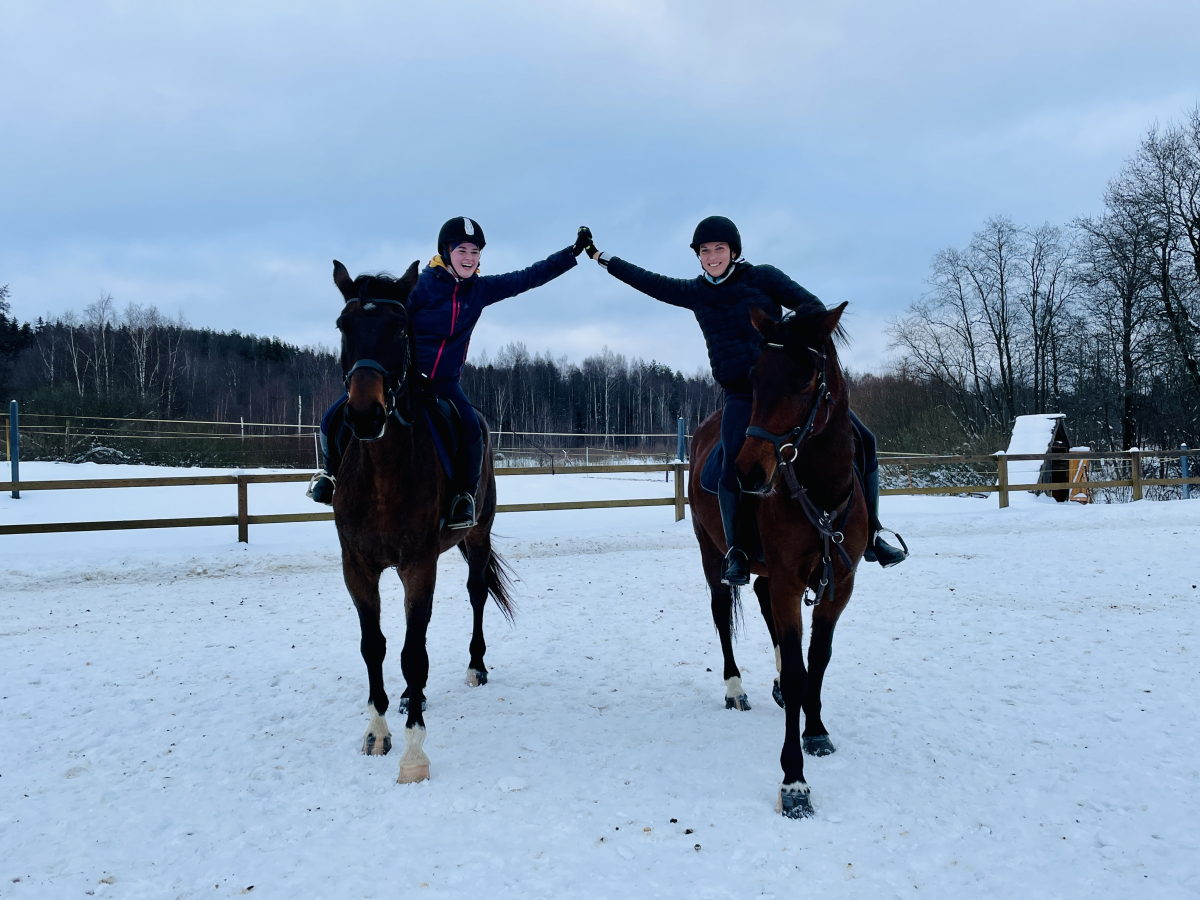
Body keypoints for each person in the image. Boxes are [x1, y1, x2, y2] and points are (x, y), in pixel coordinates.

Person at [583, 216, 907, 584]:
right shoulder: (696, 293)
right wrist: (600, 256)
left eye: (719, 248)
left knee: (865, 440)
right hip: (740, 394)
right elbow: (648, 282)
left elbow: (812, 308)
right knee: (729, 465)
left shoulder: (763, 277)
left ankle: (873, 535)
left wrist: (782, 338)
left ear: (733, 251)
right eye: (704, 251)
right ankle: (736, 550)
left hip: (780, 389)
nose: (712, 256)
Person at [311, 217, 594, 528]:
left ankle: (463, 497)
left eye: (475, 252)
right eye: (462, 250)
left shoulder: (480, 290)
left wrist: (573, 253)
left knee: (473, 430)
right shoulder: (421, 286)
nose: (469, 258)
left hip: (444, 382)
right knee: (332, 417)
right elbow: (386, 319)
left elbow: (527, 277)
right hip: (405, 380)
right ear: (445, 252)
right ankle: (330, 474)